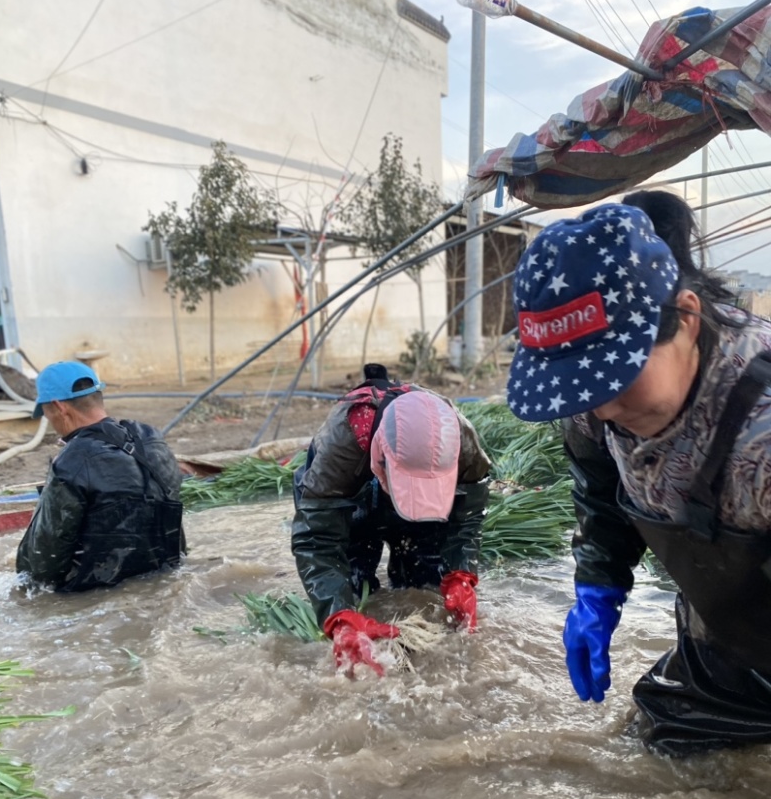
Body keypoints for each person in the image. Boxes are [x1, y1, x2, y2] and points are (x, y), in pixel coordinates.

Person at [506, 192, 771, 757]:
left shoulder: (762, 427)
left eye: (614, 379)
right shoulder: (590, 398)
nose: (601, 411)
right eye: (583, 386)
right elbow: (601, 491)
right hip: (720, 640)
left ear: (687, 317)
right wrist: (598, 587)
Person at [291, 364, 491, 676]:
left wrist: (461, 574)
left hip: (425, 509)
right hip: (350, 502)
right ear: (380, 456)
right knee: (355, 586)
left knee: (423, 584)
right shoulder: (341, 443)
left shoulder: (461, 438)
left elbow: (469, 513)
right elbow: (317, 540)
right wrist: (340, 618)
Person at [16, 360, 186, 592]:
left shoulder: (72, 461)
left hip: (100, 592)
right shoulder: (150, 438)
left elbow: (42, 561)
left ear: (59, 406)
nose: (49, 420)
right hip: (166, 576)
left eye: (46, 412)